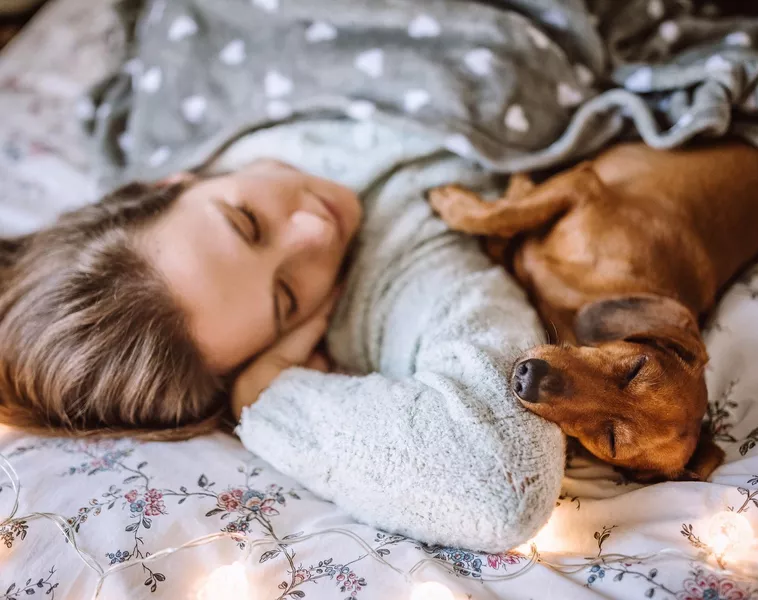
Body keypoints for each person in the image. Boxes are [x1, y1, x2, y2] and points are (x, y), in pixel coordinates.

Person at [0, 119, 564, 551]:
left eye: (246, 221)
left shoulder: (179, 118)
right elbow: (500, 488)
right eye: (287, 296)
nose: (315, 230)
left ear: (171, 182)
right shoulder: (399, 269)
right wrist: (270, 397)